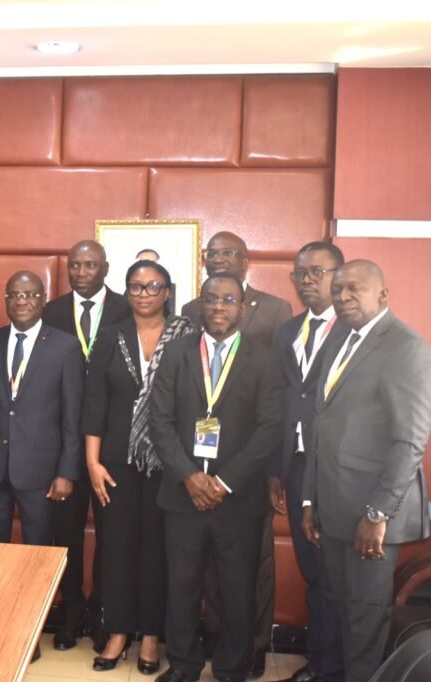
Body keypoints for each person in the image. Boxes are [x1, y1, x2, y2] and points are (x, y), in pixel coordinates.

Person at [150, 273, 283, 682]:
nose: (218, 307)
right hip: (182, 495)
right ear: (199, 306)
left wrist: (223, 483)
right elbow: (160, 421)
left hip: (238, 499)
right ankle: (183, 664)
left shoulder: (265, 358)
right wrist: (189, 476)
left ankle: (231, 669)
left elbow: (269, 429)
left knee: (237, 589)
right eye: (211, 299)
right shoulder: (176, 353)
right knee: (181, 586)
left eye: (228, 300)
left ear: (242, 308)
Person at [302, 260, 431, 682]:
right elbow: (320, 424)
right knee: (344, 614)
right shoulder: (341, 337)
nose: (343, 297)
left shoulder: (406, 348)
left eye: (354, 289)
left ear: (383, 294)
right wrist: (310, 499)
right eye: (338, 289)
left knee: (365, 623)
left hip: (372, 517)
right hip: (334, 508)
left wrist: (378, 514)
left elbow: (410, 441)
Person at [181, 230, 292, 677]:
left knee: (252, 565)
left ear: (246, 261)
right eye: (213, 252)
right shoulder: (191, 309)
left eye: (229, 252)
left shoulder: (275, 309)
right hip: (198, 463)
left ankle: (253, 645)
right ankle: (219, 638)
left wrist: (269, 469)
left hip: (250, 465)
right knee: (207, 562)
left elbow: (279, 395)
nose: (219, 258)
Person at [0, 271, 84, 662]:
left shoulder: (65, 347)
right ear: (5, 300)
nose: (21, 301)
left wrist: (66, 471)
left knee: (35, 558)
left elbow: (72, 417)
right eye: (14, 295)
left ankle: (29, 635)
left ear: (42, 300)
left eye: (30, 295)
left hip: (42, 473)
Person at [83, 260, 194, 674]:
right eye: (136, 286)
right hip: (115, 462)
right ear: (126, 291)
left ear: (168, 291)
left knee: (157, 550)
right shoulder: (110, 336)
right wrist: (92, 462)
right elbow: (95, 401)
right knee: (116, 547)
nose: (144, 294)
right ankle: (118, 631)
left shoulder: (186, 337)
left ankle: (150, 635)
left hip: (168, 461)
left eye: (153, 286)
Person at [42, 239, 131, 650]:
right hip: (63, 442)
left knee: (112, 535)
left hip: (112, 444)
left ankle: (104, 613)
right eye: (75, 265)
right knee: (67, 533)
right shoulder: (51, 311)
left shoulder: (127, 309)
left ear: (106, 269)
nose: (81, 272)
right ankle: (71, 610)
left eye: (90, 265)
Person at [267, 243, 348, 682]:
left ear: (340, 275)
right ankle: (319, 664)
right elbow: (281, 401)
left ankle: (331, 668)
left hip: (336, 472)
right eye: (301, 273)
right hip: (296, 468)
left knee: (335, 576)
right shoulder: (288, 331)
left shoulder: (355, 331)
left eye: (318, 271)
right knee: (314, 573)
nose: (308, 280)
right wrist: (274, 470)